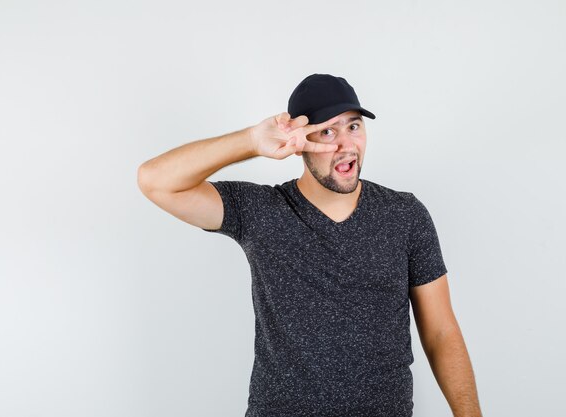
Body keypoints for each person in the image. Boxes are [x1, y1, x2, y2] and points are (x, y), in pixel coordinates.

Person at [137, 73, 482, 417]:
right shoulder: (261, 211)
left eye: (354, 126)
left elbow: (441, 332)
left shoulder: (405, 215)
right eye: (328, 131)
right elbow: (156, 181)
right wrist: (252, 141)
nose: (346, 144)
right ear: (300, 142)